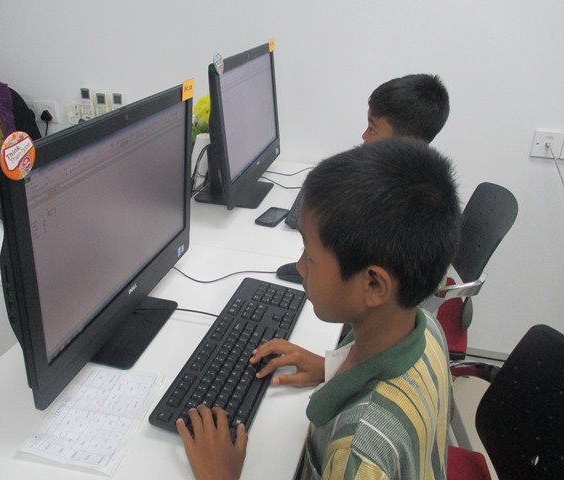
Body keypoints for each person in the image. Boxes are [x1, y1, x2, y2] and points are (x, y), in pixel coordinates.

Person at [177, 137, 462, 479]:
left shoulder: (357, 458)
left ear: (373, 285)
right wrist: (331, 368)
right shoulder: (427, 329)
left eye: (309, 256)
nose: (299, 267)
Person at [277, 73, 450, 283]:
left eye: (372, 129)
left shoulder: (401, 208)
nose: (364, 137)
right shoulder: (414, 181)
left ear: (408, 141)